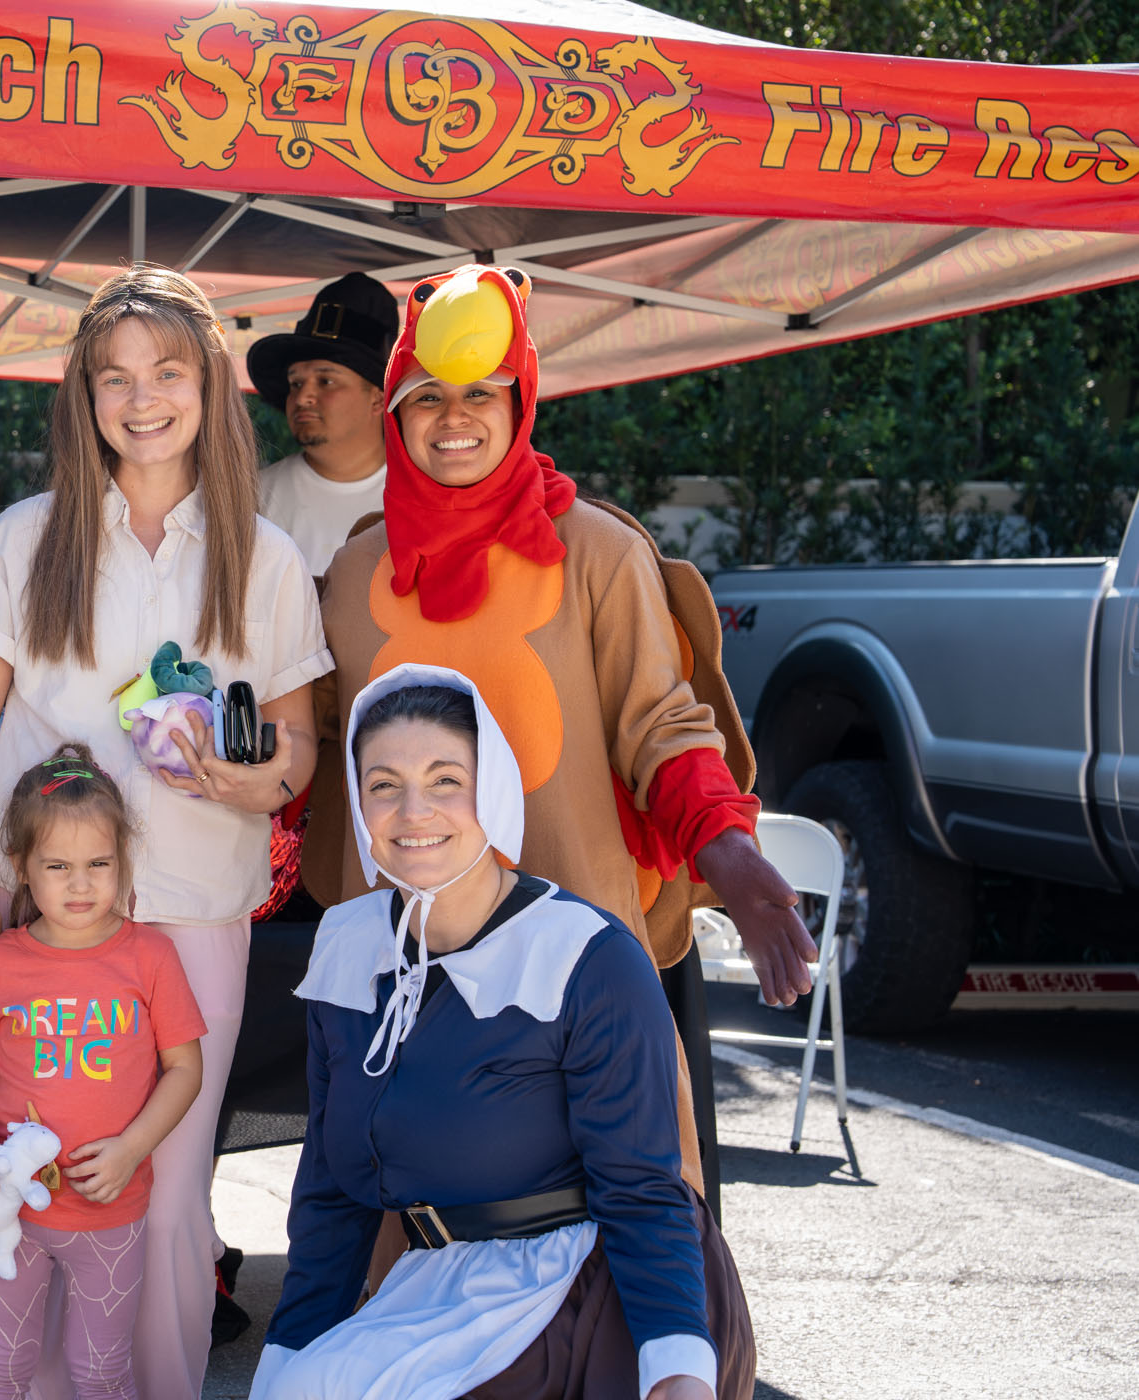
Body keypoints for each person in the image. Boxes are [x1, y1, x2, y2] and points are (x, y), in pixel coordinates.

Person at [304, 266, 817, 1233]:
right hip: (409, 968)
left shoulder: (599, 552)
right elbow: (314, 743)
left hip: (576, 959)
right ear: (395, 412)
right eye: (428, 397)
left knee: (622, 1225)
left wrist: (730, 852)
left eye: (483, 394)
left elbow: (662, 726)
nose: (455, 419)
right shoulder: (355, 571)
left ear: (522, 400)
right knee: (410, 1237)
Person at [0, 263, 331, 1400]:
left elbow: (298, 742)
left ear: (208, 384)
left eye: (167, 372)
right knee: (35, 1177)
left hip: (196, 909)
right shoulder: (27, 538)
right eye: (114, 377)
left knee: (167, 1191)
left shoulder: (266, 555)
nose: (142, 397)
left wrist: (261, 782)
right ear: (84, 396)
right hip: (40, 914)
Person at [254, 665, 754, 1400]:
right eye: (384, 784)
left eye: (446, 780)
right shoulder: (348, 948)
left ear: (491, 791)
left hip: (593, 1283)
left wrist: (677, 1368)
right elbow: (332, 1194)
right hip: (442, 1283)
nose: (413, 810)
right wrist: (285, 1354)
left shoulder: (585, 955)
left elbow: (643, 1189)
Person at [0, 745, 206, 1399]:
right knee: (1, 1365)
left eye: (99, 864)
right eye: (58, 867)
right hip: (8, 1207)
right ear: (21, 867)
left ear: (123, 859)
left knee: (101, 1372)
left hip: (111, 1208)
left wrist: (133, 1148)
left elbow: (184, 1068)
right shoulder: (0, 962)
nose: (81, 885)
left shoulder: (151, 957)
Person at [244, 273, 396, 578]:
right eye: (295, 383)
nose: (303, 397)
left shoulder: (424, 498)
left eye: (326, 381)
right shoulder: (252, 498)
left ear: (378, 399)